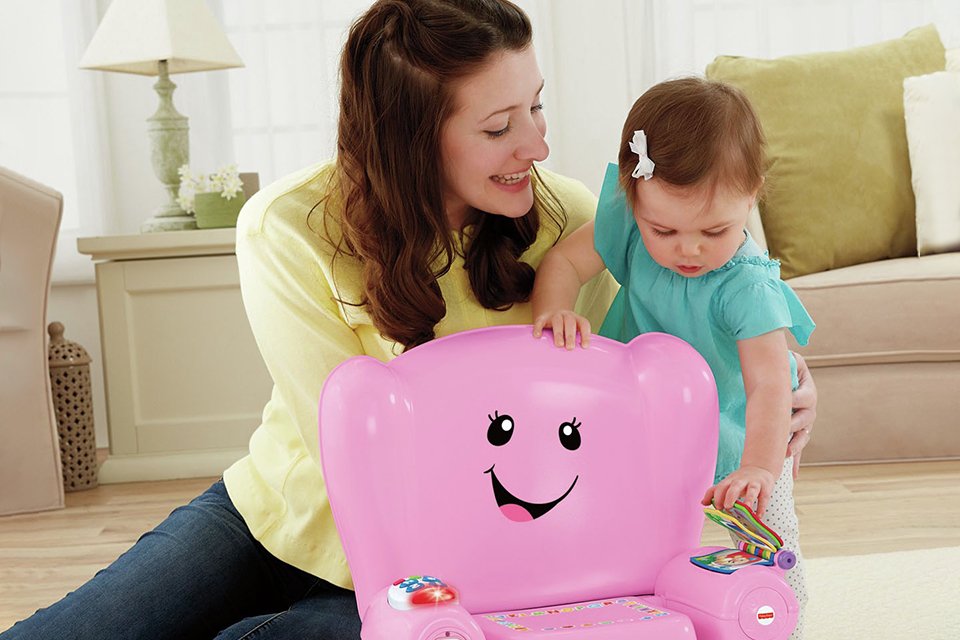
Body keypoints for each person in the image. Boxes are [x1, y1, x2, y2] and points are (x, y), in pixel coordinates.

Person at [1, 4, 817, 639]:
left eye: (536, 107)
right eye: (498, 127)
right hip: (279, 520)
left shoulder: (573, 222)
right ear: (411, 136)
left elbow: (655, 361)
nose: (537, 145)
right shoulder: (289, 228)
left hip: (454, 573)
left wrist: (776, 384)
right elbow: (359, 452)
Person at [531, 77, 814, 638]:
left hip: (743, 433)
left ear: (752, 194)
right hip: (649, 428)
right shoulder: (629, 228)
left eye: (715, 230)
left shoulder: (747, 286)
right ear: (634, 200)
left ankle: (786, 622)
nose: (688, 249)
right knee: (635, 540)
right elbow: (563, 262)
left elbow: (767, 385)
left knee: (770, 544)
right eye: (664, 229)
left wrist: (759, 467)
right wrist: (555, 312)